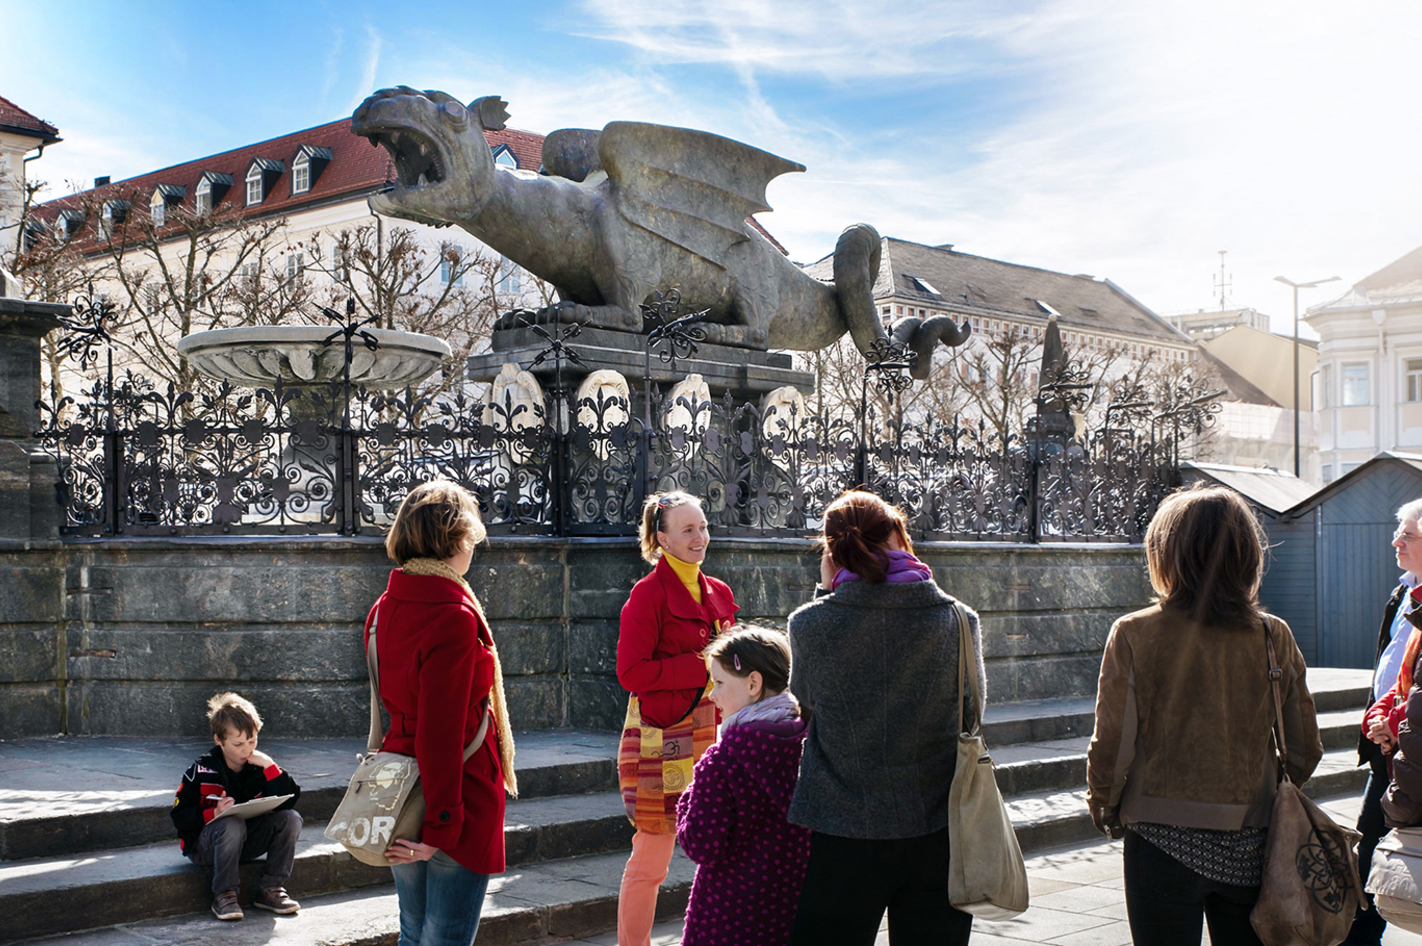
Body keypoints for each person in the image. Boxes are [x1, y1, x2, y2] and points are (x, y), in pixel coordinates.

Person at [1087, 484, 1323, 946]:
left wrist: (1105, 806)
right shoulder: (1271, 635)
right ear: (1246, 554)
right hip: (1250, 838)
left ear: (1167, 552)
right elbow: (1304, 748)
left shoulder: (1134, 633)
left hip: (1157, 835)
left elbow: (1113, 743)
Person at [786, 489, 982, 946]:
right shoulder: (957, 619)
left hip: (843, 829)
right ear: (901, 540)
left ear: (833, 552)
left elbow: (804, 704)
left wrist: (823, 591)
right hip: (937, 825)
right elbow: (972, 715)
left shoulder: (811, 623)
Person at [367, 480, 518, 946]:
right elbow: (442, 730)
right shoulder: (452, 612)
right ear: (457, 538)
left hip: (400, 784)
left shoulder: (385, 606)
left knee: (413, 933)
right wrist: (443, 825)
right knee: (445, 940)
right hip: (456, 794)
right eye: (472, 536)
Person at [617, 490, 739, 946]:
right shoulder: (646, 595)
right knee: (651, 861)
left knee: (723, 854)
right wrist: (704, 663)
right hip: (663, 743)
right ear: (661, 539)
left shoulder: (720, 591)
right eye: (688, 530)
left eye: (703, 527)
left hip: (720, 737)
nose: (700, 537)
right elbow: (631, 673)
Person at [675, 626, 810, 946]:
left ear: (753, 683)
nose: (712, 695)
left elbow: (702, 845)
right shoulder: (806, 743)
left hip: (727, 918)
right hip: (787, 911)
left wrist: (685, 803)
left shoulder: (721, 762)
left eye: (719, 683)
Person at [1346, 498, 1422, 945]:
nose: (1396, 541)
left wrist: (1397, 723)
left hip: (1411, 744)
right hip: (1391, 746)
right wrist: (1380, 715)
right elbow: (1397, 675)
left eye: (1408, 535)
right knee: (1367, 853)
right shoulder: (1404, 593)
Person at [171, 691, 303, 922]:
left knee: (291, 818)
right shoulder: (200, 771)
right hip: (206, 847)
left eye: (252, 741)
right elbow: (179, 817)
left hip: (246, 841)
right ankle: (224, 894)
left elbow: (290, 799)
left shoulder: (259, 765)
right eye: (238, 743)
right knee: (231, 823)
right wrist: (214, 813)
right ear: (219, 740)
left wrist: (271, 767)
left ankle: (271, 889)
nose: (247, 750)